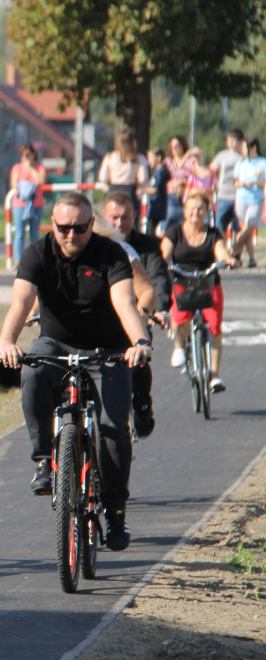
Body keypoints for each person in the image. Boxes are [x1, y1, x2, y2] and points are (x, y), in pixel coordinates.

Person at [0, 192, 152, 552]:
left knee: (114, 429)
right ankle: (43, 462)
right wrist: (7, 341)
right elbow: (20, 303)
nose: (71, 236)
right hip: (57, 344)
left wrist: (139, 341)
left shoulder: (110, 254)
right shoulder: (37, 253)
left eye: (80, 228)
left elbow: (125, 303)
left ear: (91, 225)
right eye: (63, 228)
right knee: (33, 373)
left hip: (108, 351)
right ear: (53, 224)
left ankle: (115, 512)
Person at [102, 192, 173, 438]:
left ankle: (142, 403)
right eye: (114, 217)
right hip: (103, 320)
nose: (119, 223)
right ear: (104, 217)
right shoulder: (96, 246)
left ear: (135, 217)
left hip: (138, 312)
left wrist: (159, 309)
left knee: (140, 354)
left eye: (125, 217)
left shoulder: (147, 246)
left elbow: (158, 280)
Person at [161, 191, 241, 393]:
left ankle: (214, 374)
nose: (196, 213)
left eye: (200, 209)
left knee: (214, 326)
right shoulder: (175, 232)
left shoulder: (213, 233)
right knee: (180, 317)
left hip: (208, 282)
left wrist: (228, 259)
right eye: (192, 209)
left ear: (206, 212)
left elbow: (220, 250)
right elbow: (165, 252)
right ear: (185, 211)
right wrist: (161, 263)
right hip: (182, 281)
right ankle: (179, 346)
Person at [9, 143, 48, 266]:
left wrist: (31, 168)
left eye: (29, 154)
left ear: (33, 155)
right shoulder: (17, 168)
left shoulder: (39, 168)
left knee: (34, 232)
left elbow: (40, 181)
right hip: (20, 204)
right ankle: (18, 260)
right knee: (20, 232)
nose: (26, 156)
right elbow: (14, 183)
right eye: (24, 154)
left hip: (36, 204)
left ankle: (34, 259)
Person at [233, 137, 265, 268]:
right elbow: (234, 182)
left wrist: (256, 183)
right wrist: (241, 183)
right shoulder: (241, 164)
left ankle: (231, 252)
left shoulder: (262, 163)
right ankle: (252, 259)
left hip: (256, 198)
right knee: (245, 229)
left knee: (249, 227)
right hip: (242, 197)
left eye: (246, 148)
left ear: (253, 148)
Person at [97, 128, 147, 211]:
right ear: (132, 142)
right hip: (130, 191)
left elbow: (103, 177)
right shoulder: (138, 158)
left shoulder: (110, 157)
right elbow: (143, 178)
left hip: (113, 191)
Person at [210, 129, 245, 242]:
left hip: (238, 197)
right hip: (223, 196)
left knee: (238, 227)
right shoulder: (222, 155)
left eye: (233, 140)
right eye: (229, 140)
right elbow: (211, 170)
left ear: (240, 142)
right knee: (220, 226)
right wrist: (214, 183)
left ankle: (236, 254)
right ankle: (220, 253)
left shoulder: (244, 157)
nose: (230, 143)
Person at [164, 136, 191, 231]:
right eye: (172, 147)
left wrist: (183, 183)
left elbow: (195, 178)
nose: (175, 149)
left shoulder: (190, 162)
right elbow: (163, 182)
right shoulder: (167, 162)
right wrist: (176, 184)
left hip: (187, 196)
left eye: (177, 146)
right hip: (172, 197)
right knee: (168, 224)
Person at [144, 147, 170, 236]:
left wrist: (142, 189)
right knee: (149, 230)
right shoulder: (155, 171)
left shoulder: (162, 172)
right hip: (153, 206)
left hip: (158, 207)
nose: (149, 161)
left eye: (150, 158)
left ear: (158, 158)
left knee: (151, 231)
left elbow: (157, 189)